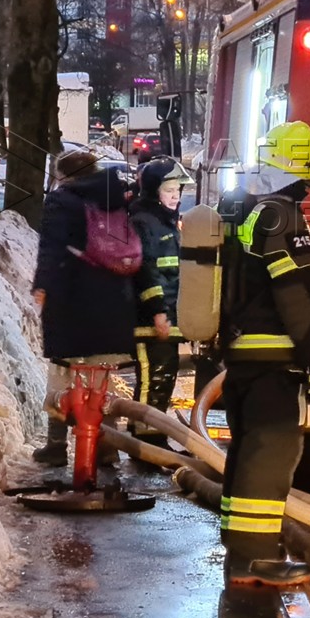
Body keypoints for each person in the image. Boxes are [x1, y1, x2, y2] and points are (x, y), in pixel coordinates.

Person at [218, 120, 310, 588]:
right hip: (274, 356)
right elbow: (295, 296)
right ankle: (255, 559)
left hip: (242, 355)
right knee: (271, 451)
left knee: (247, 450)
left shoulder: (241, 207)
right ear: (302, 172)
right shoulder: (282, 217)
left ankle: (241, 551)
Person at [30, 150, 137, 466]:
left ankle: (55, 445)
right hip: (114, 302)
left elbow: (51, 248)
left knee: (63, 375)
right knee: (101, 378)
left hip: (72, 302)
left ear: (63, 175)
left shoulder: (62, 201)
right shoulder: (116, 197)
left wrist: (43, 285)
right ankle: (105, 447)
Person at [129, 156, 188, 432]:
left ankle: (148, 433)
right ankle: (145, 437)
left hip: (165, 315)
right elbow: (146, 271)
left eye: (178, 190)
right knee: (153, 377)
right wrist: (158, 312)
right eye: (169, 190)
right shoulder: (144, 221)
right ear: (154, 191)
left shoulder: (164, 222)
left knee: (164, 376)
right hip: (150, 319)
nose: (175, 195)